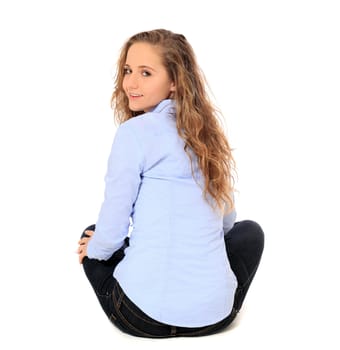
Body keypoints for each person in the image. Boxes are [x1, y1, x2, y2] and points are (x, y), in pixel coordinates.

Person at [77, 29, 264, 338]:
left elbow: (112, 231)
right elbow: (227, 224)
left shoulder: (133, 133)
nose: (130, 83)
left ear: (175, 81)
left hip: (139, 317)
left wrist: (95, 248)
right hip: (215, 318)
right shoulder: (209, 137)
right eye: (127, 71)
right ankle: (213, 301)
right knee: (250, 232)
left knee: (93, 235)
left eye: (145, 73)